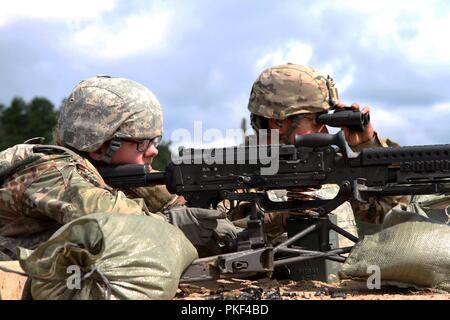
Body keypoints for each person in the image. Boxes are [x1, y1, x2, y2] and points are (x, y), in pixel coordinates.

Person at [0, 75, 238, 260]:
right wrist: (175, 223)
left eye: (155, 141)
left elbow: (186, 208)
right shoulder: (53, 172)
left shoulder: (111, 173)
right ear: (100, 146)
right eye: (142, 143)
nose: (153, 151)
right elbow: (116, 223)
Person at [230, 63, 408, 244]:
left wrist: (367, 146)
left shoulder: (323, 170)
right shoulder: (233, 173)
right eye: (317, 120)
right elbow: (223, 237)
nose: (326, 130)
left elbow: (387, 212)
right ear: (278, 122)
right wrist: (286, 216)